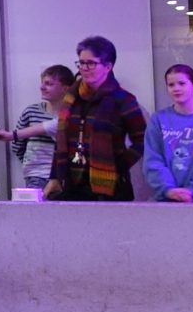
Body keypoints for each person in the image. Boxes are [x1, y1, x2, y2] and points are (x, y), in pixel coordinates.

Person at [47, 37, 145, 202]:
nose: (84, 68)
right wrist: (54, 177)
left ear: (108, 66)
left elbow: (143, 140)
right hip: (72, 183)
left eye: (91, 63)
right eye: (81, 63)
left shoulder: (123, 99)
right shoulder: (71, 97)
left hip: (111, 187)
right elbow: (61, 139)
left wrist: (118, 165)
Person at [142, 64, 193, 204]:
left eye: (181, 83)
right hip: (168, 199)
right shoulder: (158, 119)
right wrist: (169, 190)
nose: (176, 88)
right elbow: (153, 159)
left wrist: (192, 190)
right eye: (171, 85)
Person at [0, 65, 72, 195]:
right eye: (42, 83)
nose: (42, 87)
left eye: (49, 84)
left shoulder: (71, 116)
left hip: (62, 177)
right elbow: (18, 145)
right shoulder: (31, 112)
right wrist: (31, 165)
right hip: (35, 174)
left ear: (65, 89)